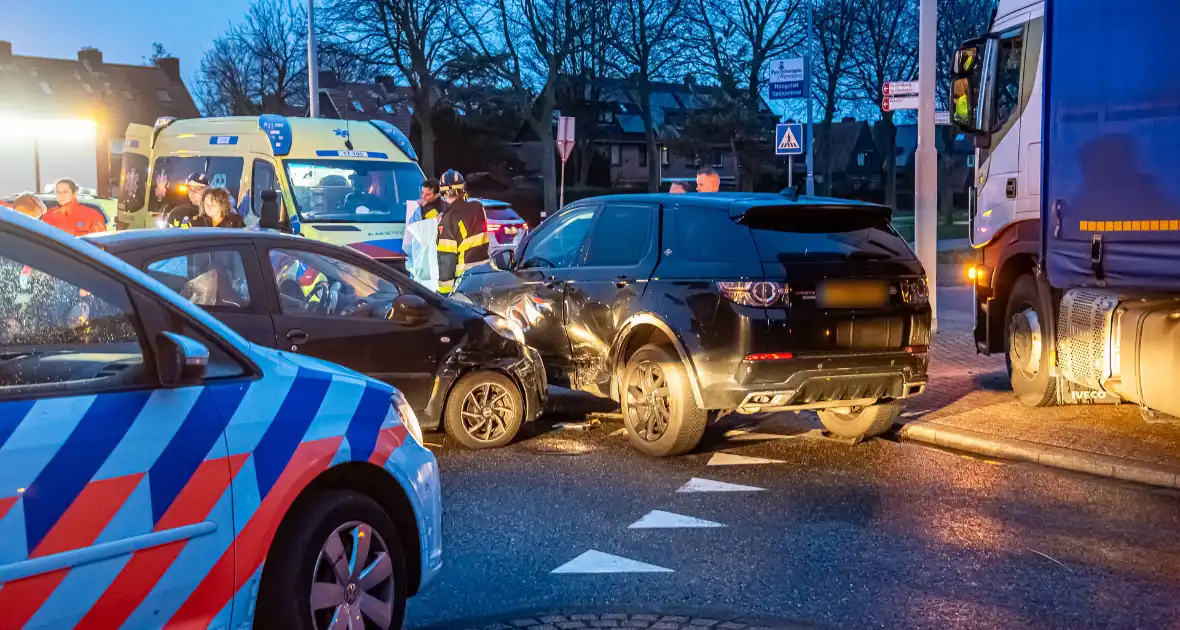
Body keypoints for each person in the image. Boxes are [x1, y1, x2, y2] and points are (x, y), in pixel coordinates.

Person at [436, 170, 489, 295]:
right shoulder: (478, 208)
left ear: (443, 193)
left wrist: (444, 293)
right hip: (484, 274)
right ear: (463, 189)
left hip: (463, 281)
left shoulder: (448, 219)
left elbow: (447, 259)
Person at [42, 178, 107, 236]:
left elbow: (100, 241)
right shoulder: (48, 215)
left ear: (74, 194)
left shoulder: (92, 215)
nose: (61, 195)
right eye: (58, 192)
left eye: (65, 192)